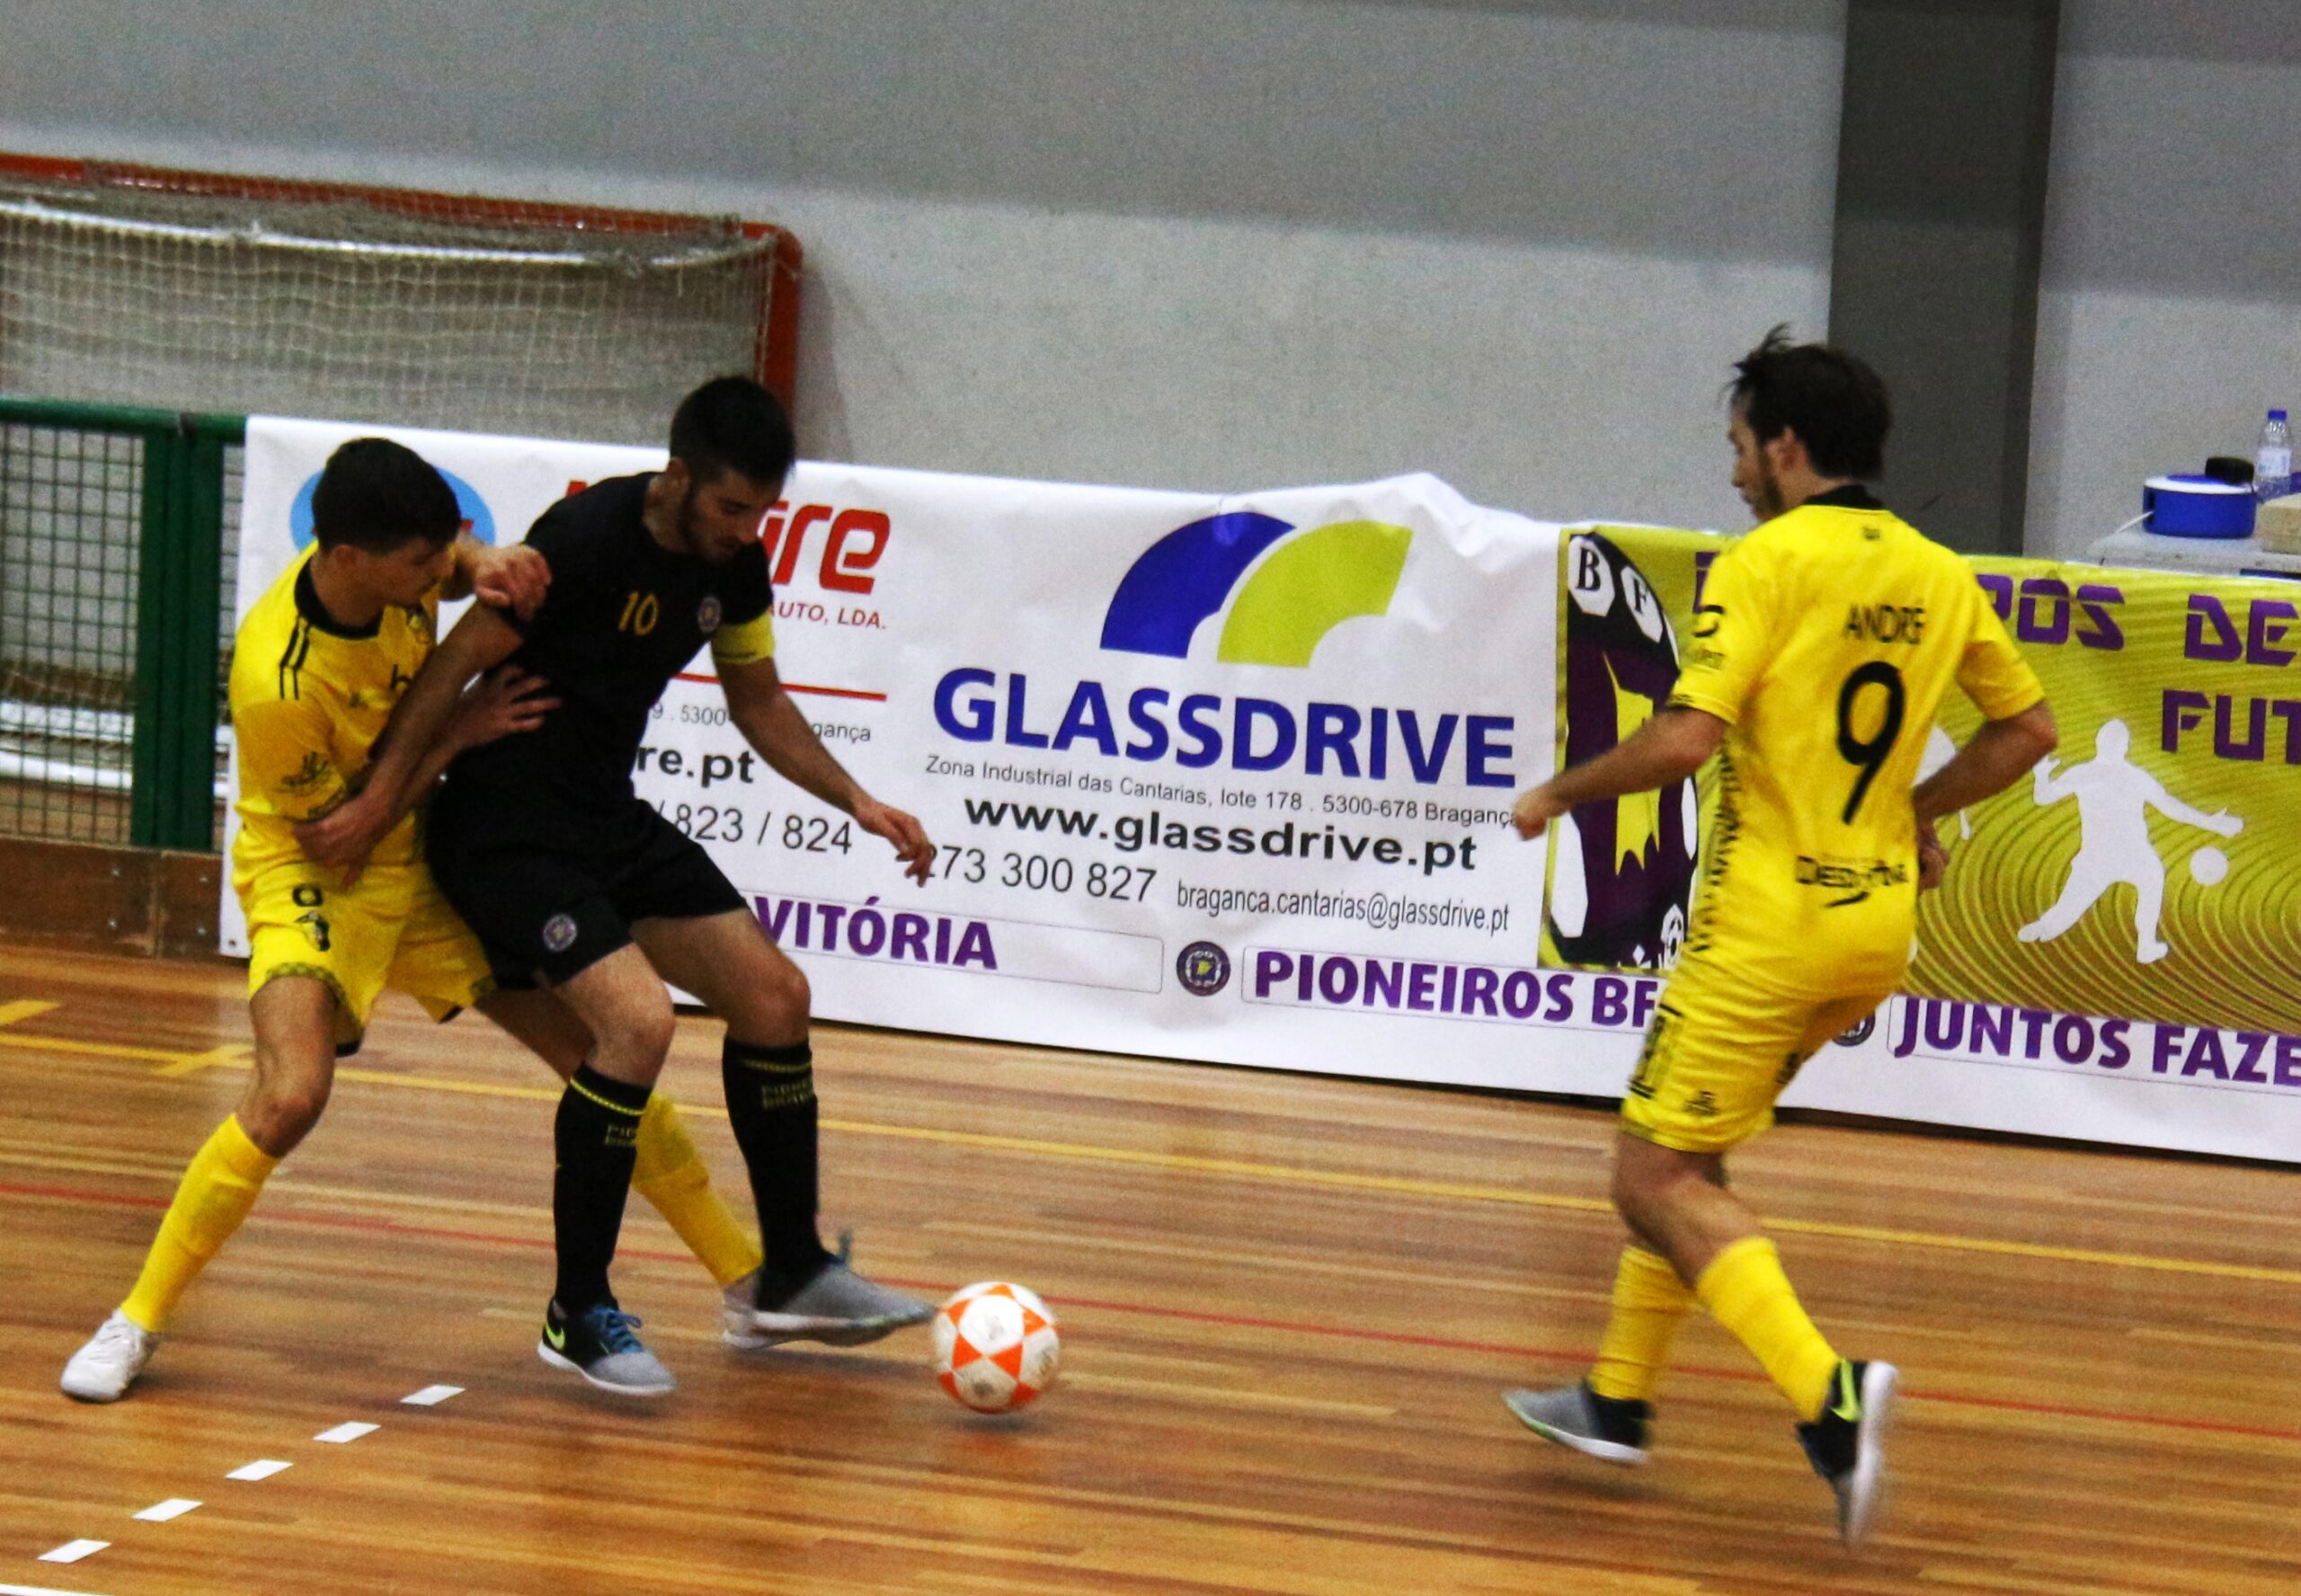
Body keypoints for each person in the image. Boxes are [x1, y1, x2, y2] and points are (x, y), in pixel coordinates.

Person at [61, 439, 772, 1403]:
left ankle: (748, 1281)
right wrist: (460, 733)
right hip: (316, 879)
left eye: (445, 553)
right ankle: (137, 1318)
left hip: (423, 864)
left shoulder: (397, 569)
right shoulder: (278, 679)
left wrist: (485, 558)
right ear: (350, 559)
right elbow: (342, 835)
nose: (441, 575)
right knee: (291, 1096)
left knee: (606, 1055)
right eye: (424, 562)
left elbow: (458, 567)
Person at [1501, 328, 2058, 1543]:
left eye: (1741, 448)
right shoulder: (1937, 570)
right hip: (1874, 933)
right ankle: (1616, 1399)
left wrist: (1558, 792)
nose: (1734, 472)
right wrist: (1912, 812)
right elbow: (2028, 731)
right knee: (1693, 1156)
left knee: (1649, 1176)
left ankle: (1828, 1398)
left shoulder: (1762, 564)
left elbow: (1685, 740)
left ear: (1787, 448)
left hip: (1766, 930)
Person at [303, 377, 937, 1396]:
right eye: (731, 507)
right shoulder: (585, 540)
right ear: (677, 476)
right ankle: (577, 1310)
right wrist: (382, 799)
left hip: (603, 817)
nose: (746, 531)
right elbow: (452, 668)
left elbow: (758, 700)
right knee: (637, 1025)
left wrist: (856, 800)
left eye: (761, 512)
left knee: (775, 997)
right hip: (505, 832)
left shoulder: (735, 567)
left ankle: (789, 1273)